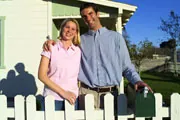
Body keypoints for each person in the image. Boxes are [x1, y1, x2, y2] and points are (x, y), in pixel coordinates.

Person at [43, 3, 153, 110]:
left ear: (98, 14)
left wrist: (137, 81)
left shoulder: (116, 38)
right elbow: (64, 44)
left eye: (91, 14)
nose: (88, 18)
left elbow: (127, 67)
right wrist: (50, 42)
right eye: (84, 16)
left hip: (111, 95)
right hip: (86, 95)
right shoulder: (80, 41)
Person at [38, 18, 81, 110]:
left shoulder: (78, 51)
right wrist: (64, 93)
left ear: (76, 33)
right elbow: (42, 75)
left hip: (72, 98)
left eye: (73, 29)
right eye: (67, 27)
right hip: (52, 98)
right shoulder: (50, 47)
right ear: (62, 29)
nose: (69, 31)